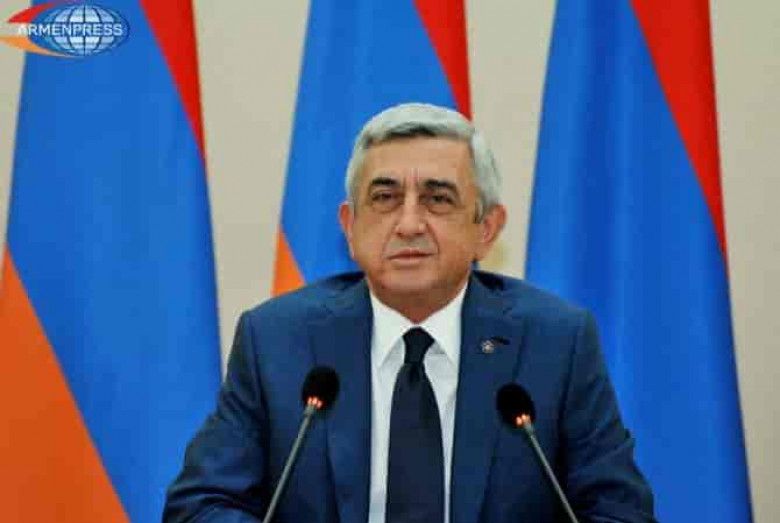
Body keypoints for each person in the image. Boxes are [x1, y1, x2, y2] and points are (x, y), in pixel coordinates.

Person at [163, 103, 656, 523]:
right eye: (385, 198)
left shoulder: (556, 343)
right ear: (350, 227)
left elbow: (620, 512)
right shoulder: (277, 340)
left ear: (486, 228)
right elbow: (199, 506)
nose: (409, 223)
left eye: (438, 199)